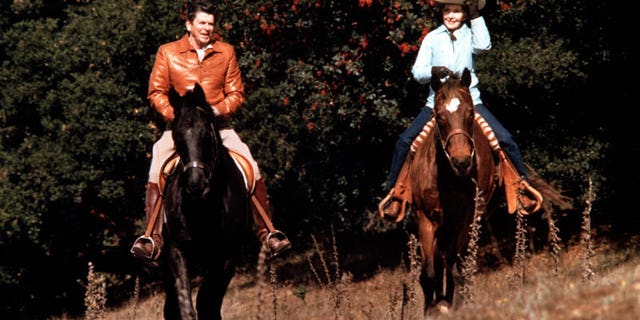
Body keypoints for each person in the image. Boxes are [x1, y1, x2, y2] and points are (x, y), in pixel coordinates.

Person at [131, 0, 291, 263]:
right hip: (179, 129)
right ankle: (152, 237)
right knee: (157, 166)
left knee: (249, 165)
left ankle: (268, 231)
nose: (207, 28)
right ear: (189, 25)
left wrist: (216, 112)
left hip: (219, 128)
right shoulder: (168, 52)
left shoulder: (225, 52)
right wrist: (180, 117)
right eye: (202, 23)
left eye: (211, 24)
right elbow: (156, 92)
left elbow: (236, 94)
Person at [380, 0, 541, 219]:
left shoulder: (470, 34)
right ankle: (395, 195)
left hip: (470, 102)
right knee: (405, 142)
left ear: (464, 14)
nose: (451, 15)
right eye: (447, 11)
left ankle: (521, 188)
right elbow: (417, 72)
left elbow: (484, 46)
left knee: (505, 139)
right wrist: (432, 70)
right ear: (442, 13)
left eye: (457, 11)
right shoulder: (432, 38)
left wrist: (476, 16)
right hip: (437, 104)